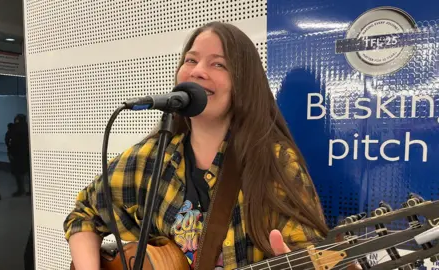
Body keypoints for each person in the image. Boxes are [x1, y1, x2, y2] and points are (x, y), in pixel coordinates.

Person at [64, 22, 329, 270]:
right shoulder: (152, 158)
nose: (198, 71)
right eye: (191, 60)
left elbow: (312, 252)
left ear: (243, 84)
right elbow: (83, 214)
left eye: (219, 65)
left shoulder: (274, 162)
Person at [9, 114, 31, 196]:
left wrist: (11, 152)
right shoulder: (29, 127)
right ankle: (31, 190)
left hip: (17, 154)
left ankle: (21, 190)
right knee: (29, 173)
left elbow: (11, 141)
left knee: (19, 174)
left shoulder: (15, 128)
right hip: (28, 154)